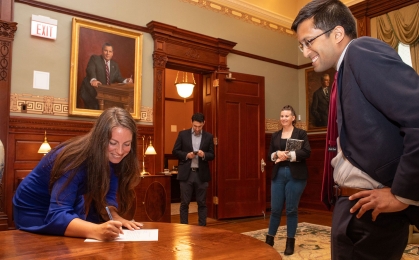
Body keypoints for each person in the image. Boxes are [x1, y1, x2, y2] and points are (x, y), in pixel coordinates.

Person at [292, 0, 419, 259]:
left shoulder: (361, 50)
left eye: (308, 42)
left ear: (337, 34)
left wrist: (402, 195)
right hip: (352, 206)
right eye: (301, 45)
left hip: (373, 210)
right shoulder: (345, 69)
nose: (305, 52)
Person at [13, 107, 143, 241]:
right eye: (113, 143)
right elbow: (58, 214)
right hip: (34, 207)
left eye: (126, 144)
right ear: (100, 139)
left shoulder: (115, 158)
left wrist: (115, 218)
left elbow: (107, 198)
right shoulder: (73, 159)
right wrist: (96, 230)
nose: (120, 151)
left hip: (67, 202)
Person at [265, 105, 311, 255]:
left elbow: (306, 152)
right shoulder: (275, 135)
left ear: (293, 118)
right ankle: (269, 240)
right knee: (276, 210)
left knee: (291, 210)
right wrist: (277, 154)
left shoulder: (301, 133)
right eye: (282, 116)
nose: (283, 118)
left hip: (296, 175)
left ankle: (290, 242)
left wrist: (289, 155)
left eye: (286, 116)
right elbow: (270, 155)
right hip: (278, 174)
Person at [172, 113, 215, 226]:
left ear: (203, 124)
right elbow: (175, 151)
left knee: (202, 203)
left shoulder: (209, 136)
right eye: (195, 126)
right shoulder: (182, 134)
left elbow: (212, 155)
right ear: (191, 122)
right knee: (184, 203)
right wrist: (187, 155)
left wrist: (203, 154)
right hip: (186, 174)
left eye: (199, 126)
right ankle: (184, 228)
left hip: (202, 174)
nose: (197, 129)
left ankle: (202, 228)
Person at [79, 43, 133, 110]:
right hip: (90, 93)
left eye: (110, 51)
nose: (108, 53)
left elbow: (118, 77)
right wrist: (93, 80)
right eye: (106, 51)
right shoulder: (95, 59)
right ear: (102, 51)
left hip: (104, 95)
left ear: (112, 53)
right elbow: (90, 70)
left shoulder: (114, 65)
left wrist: (126, 80)